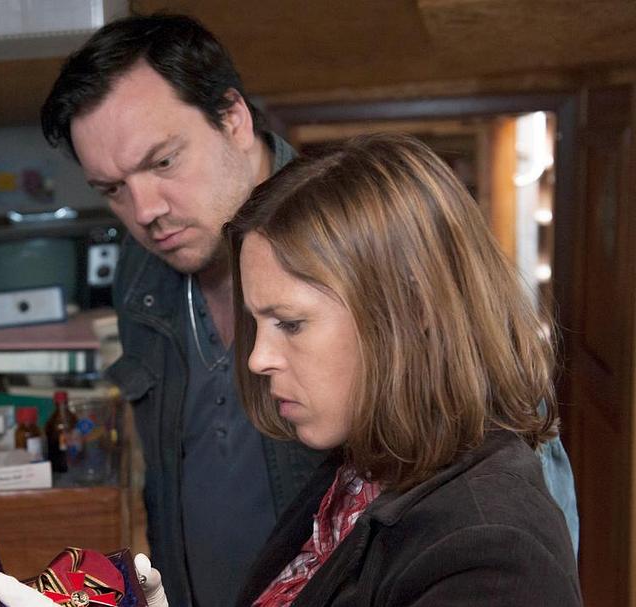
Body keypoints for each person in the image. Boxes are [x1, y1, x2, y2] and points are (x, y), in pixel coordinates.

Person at [40, 13, 578, 606]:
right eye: (112, 189)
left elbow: (508, 545)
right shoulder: (140, 273)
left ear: (233, 118)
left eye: (163, 161)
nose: (144, 211)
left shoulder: (376, 241)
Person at [227, 134, 581, 606]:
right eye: (256, 323)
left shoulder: (492, 554)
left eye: (290, 323)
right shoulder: (364, 464)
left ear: (415, 308)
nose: (257, 358)